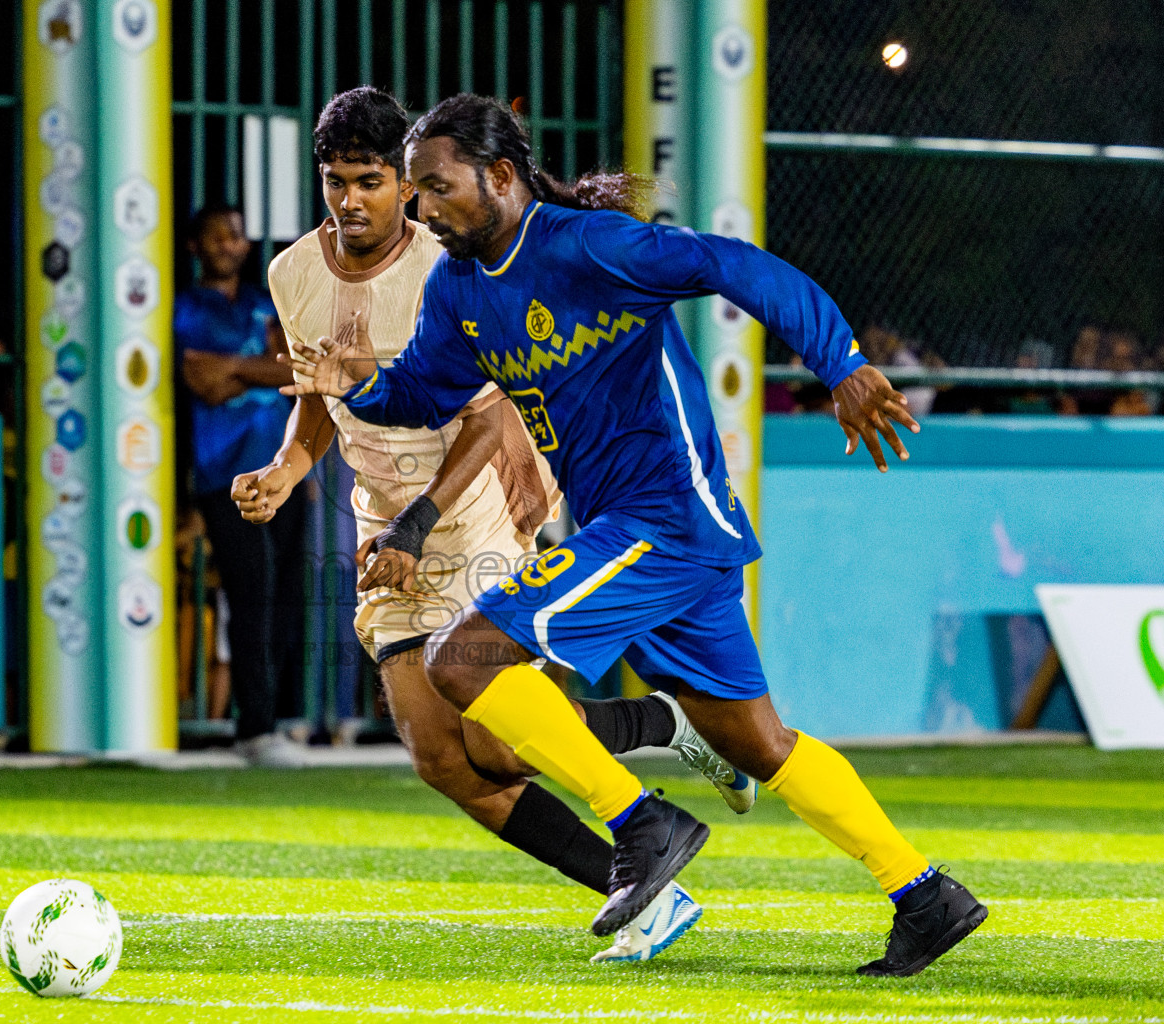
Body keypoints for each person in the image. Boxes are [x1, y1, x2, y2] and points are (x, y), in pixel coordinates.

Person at [285, 93, 986, 978]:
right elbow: (424, 391)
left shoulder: (591, 246)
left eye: (437, 186)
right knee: (755, 743)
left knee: (461, 661)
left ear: (500, 177)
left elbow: (736, 265)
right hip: (649, 534)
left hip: (664, 517)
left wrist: (840, 362)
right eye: (417, 190)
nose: (423, 207)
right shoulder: (459, 289)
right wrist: (353, 383)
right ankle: (924, 894)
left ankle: (640, 825)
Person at [234, 87, 755, 963]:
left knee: (497, 744)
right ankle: (651, 897)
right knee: (444, 762)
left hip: (474, 507)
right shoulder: (292, 273)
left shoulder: (447, 270)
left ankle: (671, 726)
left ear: (406, 183)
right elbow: (320, 395)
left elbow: (490, 417)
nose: (350, 200)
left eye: (369, 181)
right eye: (335, 181)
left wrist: (417, 525)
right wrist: (288, 469)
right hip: (386, 524)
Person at [176, 205, 306, 764]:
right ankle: (255, 728)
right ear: (194, 246)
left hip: (282, 469)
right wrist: (260, 367)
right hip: (223, 473)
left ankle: (275, 718)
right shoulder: (183, 307)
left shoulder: (262, 301)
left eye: (237, 235)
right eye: (218, 236)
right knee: (250, 594)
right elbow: (202, 384)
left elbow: (298, 370)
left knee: (285, 599)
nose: (231, 244)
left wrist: (232, 367)